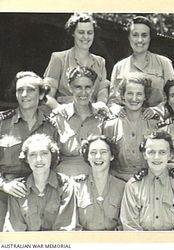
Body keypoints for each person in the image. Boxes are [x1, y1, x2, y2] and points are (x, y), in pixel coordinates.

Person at [0, 71, 56, 230]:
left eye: (30, 89)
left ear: (41, 94)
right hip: (5, 193)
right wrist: (4, 185)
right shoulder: (2, 123)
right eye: (19, 90)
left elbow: (56, 163)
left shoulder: (50, 126)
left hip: (40, 192)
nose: (24, 94)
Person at [120, 131, 174, 231]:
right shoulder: (133, 186)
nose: (156, 157)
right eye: (151, 152)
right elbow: (130, 226)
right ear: (144, 155)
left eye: (162, 152)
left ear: (170, 155)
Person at [3, 134, 77, 231]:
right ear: (26, 159)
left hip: (58, 245)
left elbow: (66, 229)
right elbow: (14, 231)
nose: (39, 159)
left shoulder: (65, 185)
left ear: (52, 156)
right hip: (26, 245)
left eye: (44, 153)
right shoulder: (17, 188)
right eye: (32, 155)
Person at [109, 15, 174, 118]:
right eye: (135, 35)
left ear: (150, 38)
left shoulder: (164, 63)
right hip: (127, 122)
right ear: (129, 37)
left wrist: (157, 110)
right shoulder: (119, 67)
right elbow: (112, 101)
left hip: (157, 123)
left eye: (144, 35)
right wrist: (117, 110)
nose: (140, 40)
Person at [49, 66, 107, 177]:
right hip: (65, 177)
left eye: (88, 87)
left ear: (93, 88)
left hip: (95, 176)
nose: (83, 92)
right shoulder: (59, 117)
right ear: (70, 88)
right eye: (78, 87)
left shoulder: (103, 116)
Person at [44, 12, 109, 110]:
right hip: (64, 115)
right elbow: (48, 96)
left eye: (90, 33)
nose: (86, 37)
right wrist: (60, 112)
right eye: (81, 32)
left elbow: (102, 93)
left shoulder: (100, 62)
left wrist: (100, 105)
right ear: (73, 33)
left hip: (92, 117)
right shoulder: (58, 58)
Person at [102, 72, 158, 181]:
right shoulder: (110, 125)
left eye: (139, 94)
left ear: (145, 96)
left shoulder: (154, 123)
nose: (134, 98)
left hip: (149, 180)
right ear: (122, 95)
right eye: (130, 93)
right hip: (118, 181)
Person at [74, 135, 125, 230]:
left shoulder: (122, 187)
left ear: (112, 156)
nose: (98, 156)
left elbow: (124, 225)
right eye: (93, 152)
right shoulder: (77, 187)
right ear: (87, 157)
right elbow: (73, 226)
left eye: (103, 152)